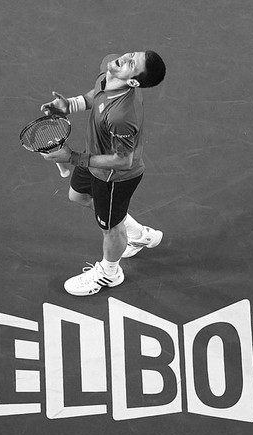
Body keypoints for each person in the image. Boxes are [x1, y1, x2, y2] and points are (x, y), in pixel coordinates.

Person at [40, 51, 166, 296]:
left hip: (113, 176)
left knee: (110, 227)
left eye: (132, 63)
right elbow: (96, 94)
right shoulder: (110, 69)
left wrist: (73, 158)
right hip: (94, 159)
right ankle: (138, 235)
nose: (126, 57)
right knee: (79, 197)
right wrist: (70, 105)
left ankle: (110, 273)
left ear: (133, 82)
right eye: (133, 54)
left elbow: (123, 160)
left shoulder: (121, 116)